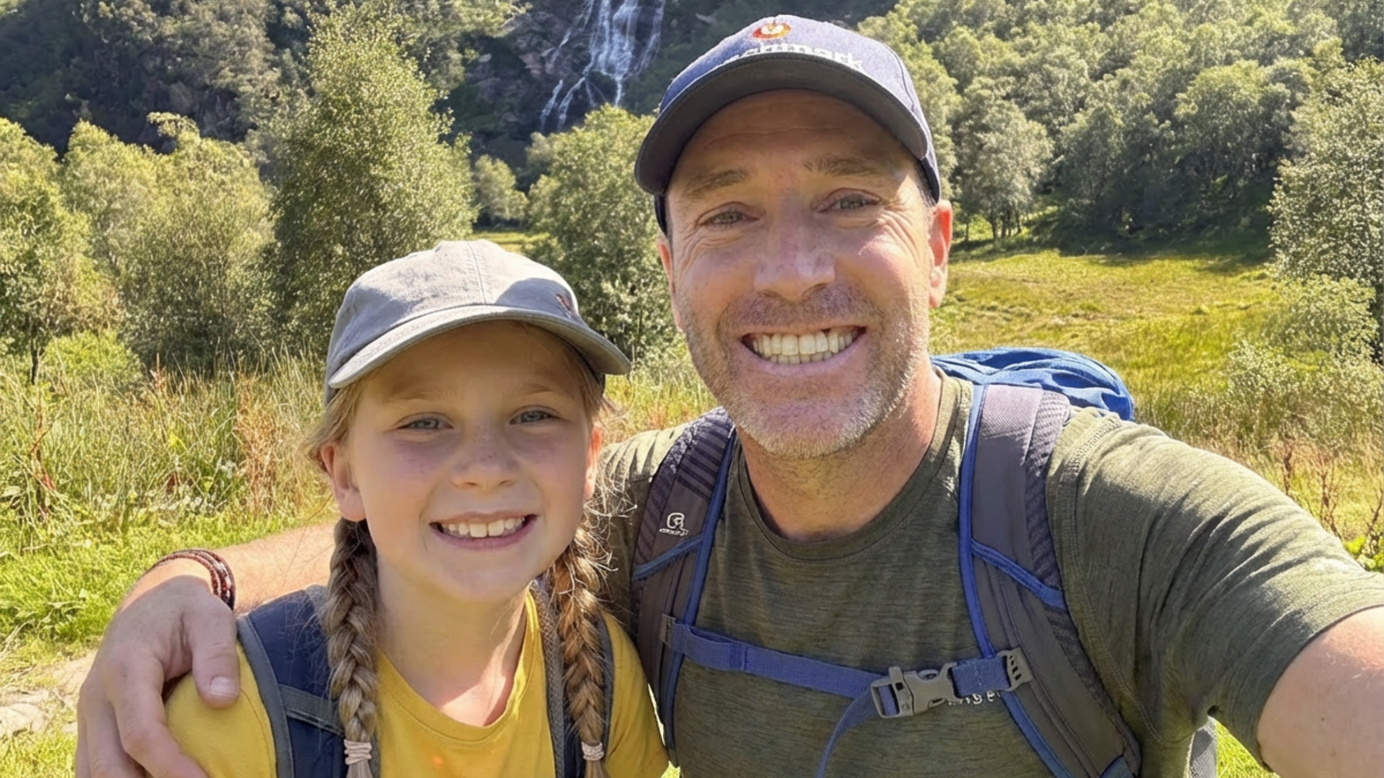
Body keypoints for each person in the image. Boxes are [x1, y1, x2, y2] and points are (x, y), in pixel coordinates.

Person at [78, 15, 1384, 778]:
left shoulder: (1120, 518)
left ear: (938, 249)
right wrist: (187, 581)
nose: (791, 269)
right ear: (671, 269)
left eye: (849, 200)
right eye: (728, 213)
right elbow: (455, 515)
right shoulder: (659, 510)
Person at [139, 240, 669, 778]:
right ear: (345, 475)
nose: (486, 468)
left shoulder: (602, 675)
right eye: (424, 423)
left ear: (589, 458)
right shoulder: (236, 718)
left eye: (534, 415)